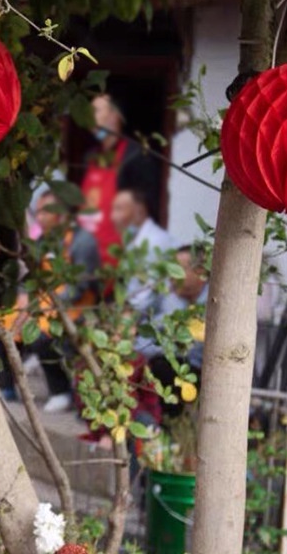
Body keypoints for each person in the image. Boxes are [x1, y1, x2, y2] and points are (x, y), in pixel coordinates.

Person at [0, 191, 101, 412]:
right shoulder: (45, 240)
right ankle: (7, 388)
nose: (39, 216)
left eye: (44, 211)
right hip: (39, 303)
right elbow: (30, 277)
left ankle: (60, 390)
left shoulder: (83, 241)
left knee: (42, 336)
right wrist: (24, 299)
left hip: (72, 308)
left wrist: (38, 307)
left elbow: (80, 285)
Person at [79, 94, 162, 265]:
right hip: (87, 258)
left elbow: (145, 212)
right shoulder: (92, 157)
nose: (89, 117)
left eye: (96, 111)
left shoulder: (136, 156)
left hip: (120, 261)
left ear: (115, 116)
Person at [145, 245, 209, 417]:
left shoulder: (212, 304)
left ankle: (164, 428)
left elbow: (186, 349)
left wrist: (140, 350)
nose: (171, 277)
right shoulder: (175, 301)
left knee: (160, 366)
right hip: (176, 364)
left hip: (201, 375)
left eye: (177, 270)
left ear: (200, 272)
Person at [110, 188, 176, 313]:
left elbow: (143, 299)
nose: (112, 217)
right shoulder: (134, 241)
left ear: (139, 212)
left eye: (119, 209)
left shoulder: (153, 243)